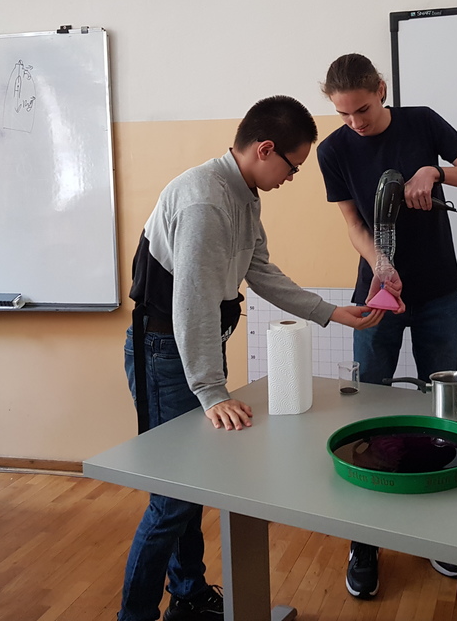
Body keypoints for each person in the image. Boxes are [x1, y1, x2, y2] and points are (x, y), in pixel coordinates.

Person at [119, 95, 382, 621]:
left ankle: (188, 596)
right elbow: (193, 302)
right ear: (265, 149)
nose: (292, 177)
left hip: (191, 349)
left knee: (191, 487)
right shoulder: (205, 203)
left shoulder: (242, 195)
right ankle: (136, 616)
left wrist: (331, 312)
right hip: (165, 353)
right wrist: (210, 389)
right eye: (292, 166)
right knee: (172, 498)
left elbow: (260, 271)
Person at [316, 53, 457, 599]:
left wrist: (435, 171)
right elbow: (353, 223)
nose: (355, 123)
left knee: (440, 411)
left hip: (438, 292)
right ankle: (365, 543)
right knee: (367, 414)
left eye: (363, 109)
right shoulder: (333, 151)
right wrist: (380, 263)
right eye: (343, 114)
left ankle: (436, 533)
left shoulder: (422, 123)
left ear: (381, 88)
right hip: (378, 296)